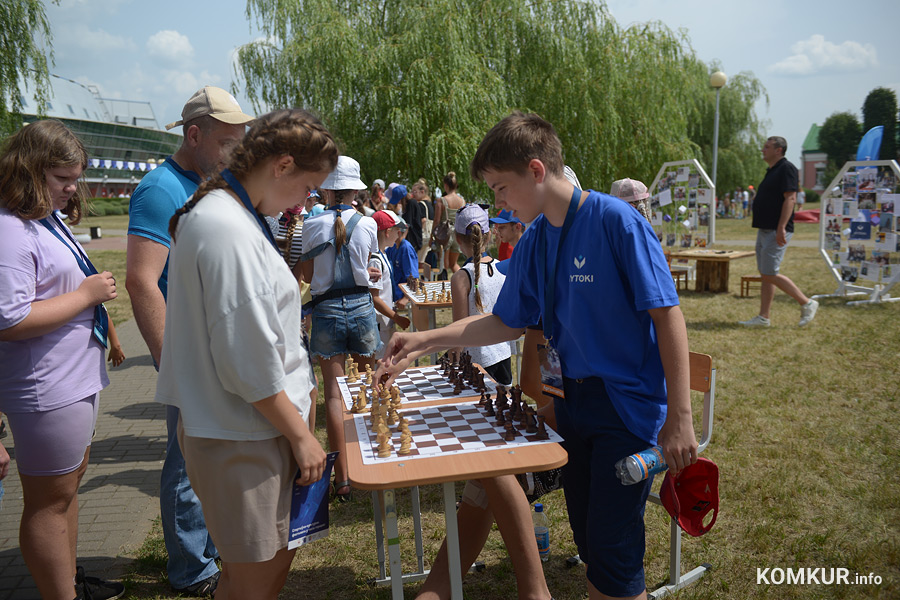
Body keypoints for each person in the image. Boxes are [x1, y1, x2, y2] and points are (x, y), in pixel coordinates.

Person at [378, 111, 698, 600]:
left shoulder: (615, 221)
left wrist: (680, 417)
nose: (498, 203)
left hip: (627, 411)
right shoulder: (535, 241)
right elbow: (504, 322)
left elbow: (667, 315)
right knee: (594, 548)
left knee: (613, 561)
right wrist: (425, 340)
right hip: (572, 405)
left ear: (535, 170)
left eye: (501, 188)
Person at [157, 108, 334, 599]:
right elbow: (246, 363)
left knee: (255, 578)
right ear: (282, 166)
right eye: (307, 186)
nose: (307, 200)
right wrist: (302, 437)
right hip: (245, 436)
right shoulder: (226, 227)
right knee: (253, 586)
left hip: (252, 431)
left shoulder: (231, 216)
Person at [126, 86, 253, 596]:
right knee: (187, 465)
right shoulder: (161, 189)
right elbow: (141, 280)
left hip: (216, 351)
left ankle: (210, 550)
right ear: (194, 135)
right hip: (190, 357)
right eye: (228, 141)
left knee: (214, 456)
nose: (237, 152)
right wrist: (170, 364)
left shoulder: (212, 183)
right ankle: (192, 571)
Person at [0, 119, 123, 599]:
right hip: (45, 386)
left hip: (68, 381)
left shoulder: (41, 219)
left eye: (76, 178)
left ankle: (69, 584)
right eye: (62, 179)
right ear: (28, 171)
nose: (73, 190)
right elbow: (9, 319)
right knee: (48, 504)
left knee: (66, 492)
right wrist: (86, 295)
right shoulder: (11, 230)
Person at [300, 156, 380, 502]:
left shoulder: (311, 224)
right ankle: (371, 462)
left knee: (334, 396)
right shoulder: (368, 223)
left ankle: (343, 477)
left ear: (327, 189)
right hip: (362, 307)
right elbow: (372, 268)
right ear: (355, 190)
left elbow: (305, 276)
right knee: (366, 387)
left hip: (327, 309)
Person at [740, 136, 819, 328]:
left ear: (779, 150)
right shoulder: (772, 170)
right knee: (765, 272)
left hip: (777, 228)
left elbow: (790, 199)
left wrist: (782, 227)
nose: (762, 150)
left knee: (769, 273)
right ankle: (763, 317)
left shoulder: (787, 168)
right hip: (765, 228)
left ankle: (806, 303)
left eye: (767, 147)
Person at [450, 205, 511, 385]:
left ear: (457, 239)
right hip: (503, 355)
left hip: (476, 361)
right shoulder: (503, 268)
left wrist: (454, 365)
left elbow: (458, 330)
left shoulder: (461, 277)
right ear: (490, 235)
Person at [369, 210, 411, 357]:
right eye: (397, 230)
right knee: (381, 363)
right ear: (388, 232)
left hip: (386, 322)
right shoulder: (375, 259)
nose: (399, 234)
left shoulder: (384, 254)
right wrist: (396, 317)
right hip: (379, 324)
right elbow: (375, 298)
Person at [412, 179, 434, 279]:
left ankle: (421, 282)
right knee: (425, 262)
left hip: (423, 236)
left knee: (419, 262)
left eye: (415, 192)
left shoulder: (420, 204)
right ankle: (427, 281)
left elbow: (424, 220)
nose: (413, 194)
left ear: (422, 192)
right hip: (430, 236)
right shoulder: (430, 204)